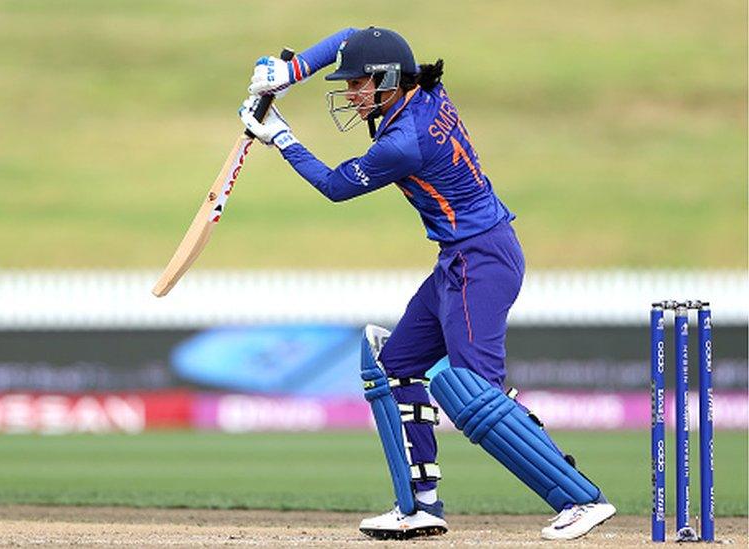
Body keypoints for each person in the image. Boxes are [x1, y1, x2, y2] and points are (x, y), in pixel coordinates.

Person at [239, 27, 616, 541]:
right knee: (394, 369)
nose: (350, 93)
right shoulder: (426, 91)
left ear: (390, 80)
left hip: (478, 261)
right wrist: (293, 72)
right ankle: (420, 506)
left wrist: (280, 137)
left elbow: (332, 187)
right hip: (463, 257)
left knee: (474, 396)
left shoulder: (403, 143)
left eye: (358, 83)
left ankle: (579, 498)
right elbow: (353, 35)